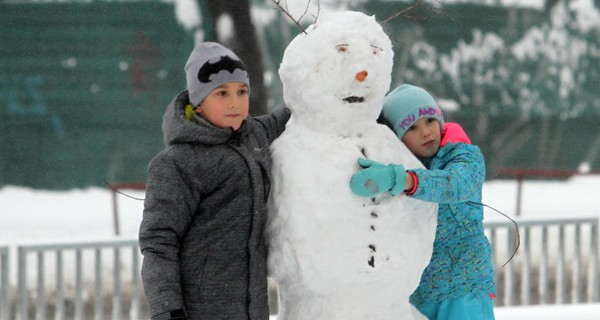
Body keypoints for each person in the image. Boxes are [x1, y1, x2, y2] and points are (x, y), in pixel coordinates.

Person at [139, 42, 290, 320]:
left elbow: (288, 117)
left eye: (241, 91)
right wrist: (167, 311)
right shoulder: (178, 163)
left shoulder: (254, 135)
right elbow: (159, 242)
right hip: (200, 310)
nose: (235, 102)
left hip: (252, 309)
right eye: (221, 93)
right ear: (198, 103)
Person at [349, 84, 496, 320]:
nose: (426, 132)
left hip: (464, 288)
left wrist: (403, 180)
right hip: (419, 294)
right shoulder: (401, 164)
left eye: (429, 120)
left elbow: (455, 184)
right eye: (412, 128)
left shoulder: (464, 156)